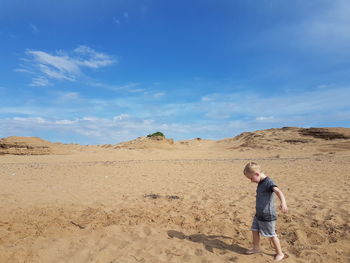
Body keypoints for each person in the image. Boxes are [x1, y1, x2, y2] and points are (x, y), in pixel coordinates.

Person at [243, 162, 288, 261]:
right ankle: (256, 248)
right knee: (254, 230)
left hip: (267, 215)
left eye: (251, 178)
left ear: (257, 174)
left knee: (271, 235)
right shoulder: (260, 182)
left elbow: (278, 191)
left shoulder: (268, 182)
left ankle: (280, 253)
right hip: (258, 214)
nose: (251, 181)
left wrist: (283, 203)